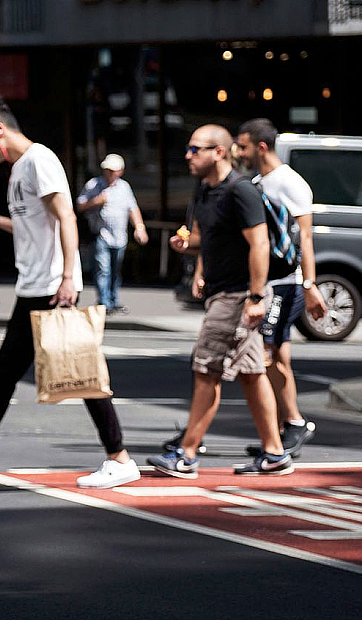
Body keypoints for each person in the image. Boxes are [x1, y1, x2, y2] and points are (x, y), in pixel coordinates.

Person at [0, 97, 140, 490]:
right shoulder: (19, 168)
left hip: (51, 287)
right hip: (33, 286)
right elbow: (32, 228)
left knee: (79, 372)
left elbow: (67, 217)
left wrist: (69, 277)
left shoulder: (40, 161)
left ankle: (119, 457)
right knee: (9, 372)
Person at [147, 124, 292, 479]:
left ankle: (187, 454)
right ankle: (274, 453)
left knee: (206, 370)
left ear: (219, 152)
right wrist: (191, 253)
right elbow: (202, 236)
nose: (188, 155)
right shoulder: (206, 190)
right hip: (221, 292)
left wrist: (257, 296)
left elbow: (258, 244)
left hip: (239, 295)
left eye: (195, 149)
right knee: (252, 374)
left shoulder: (240, 191)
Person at [235, 118, 326, 457]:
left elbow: (305, 237)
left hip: (287, 284)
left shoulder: (290, 183)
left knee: (268, 354)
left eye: (243, 146)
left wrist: (310, 284)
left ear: (261, 147)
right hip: (271, 281)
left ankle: (291, 424)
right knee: (277, 355)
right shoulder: (259, 181)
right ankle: (285, 428)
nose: (238, 153)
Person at [75, 153, 148, 314]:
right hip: (101, 234)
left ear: (120, 171)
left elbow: (133, 208)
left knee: (115, 270)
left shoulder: (124, 187)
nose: (110, 173)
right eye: (107, 170)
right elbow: (80, 206)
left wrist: (139, 227)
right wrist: (95, 201)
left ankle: (113, 299)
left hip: (119, 236)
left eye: (113, 170)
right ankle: (104, 302)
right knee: (103, 269)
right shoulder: (93, 185)